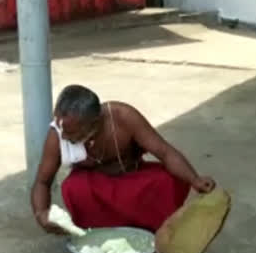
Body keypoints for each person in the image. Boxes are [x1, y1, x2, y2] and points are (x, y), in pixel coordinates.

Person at [31, 84, 217, 235]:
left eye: (72, 133)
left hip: (131, 176)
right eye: (60, 128)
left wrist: (195, 180)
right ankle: (96, 235)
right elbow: (42, 181)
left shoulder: (123, 117)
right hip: (96, 186)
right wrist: (41, 213)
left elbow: (165, 152)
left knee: (169, 180)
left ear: (95, 123)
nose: (63, 137)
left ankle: (156, 237)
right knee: (74, 188)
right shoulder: (57, 134)